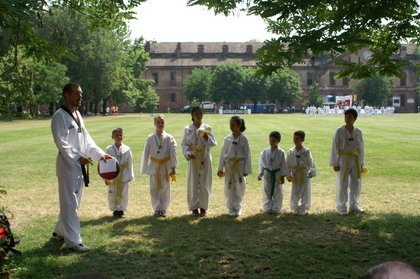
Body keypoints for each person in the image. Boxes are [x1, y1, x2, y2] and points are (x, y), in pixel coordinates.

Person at [51, 82, 110, 252]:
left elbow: (87, 140)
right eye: (77, 94)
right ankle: (73, 241)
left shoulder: (78, 115)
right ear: (67, 95)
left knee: (73, 203)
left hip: (78, 166)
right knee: (70, 204)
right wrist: (77, 157)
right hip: (67, 166)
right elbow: (60, 142)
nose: (80, 97)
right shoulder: (59, 116)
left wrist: (100, 155)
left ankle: (61, 230)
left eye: (81, 94)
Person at [181, 106, 217, 217]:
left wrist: (205, 136)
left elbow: (213, 143)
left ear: (202, 114)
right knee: (193, 183)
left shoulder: (207, 127)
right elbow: (184, 144)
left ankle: (203, 207)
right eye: (195, 113)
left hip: (204, 158)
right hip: (193, 158)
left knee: (204, 183)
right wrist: (188, 153)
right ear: (192, 115)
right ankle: (194, 207)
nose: (198, 115)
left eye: (200, 113)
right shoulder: (188, 129)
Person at [329, 108, 365, 215]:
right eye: (346, 117)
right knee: (342, 183)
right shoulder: (339, 131)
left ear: (354, 119)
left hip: (355, 160)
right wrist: (334, 162)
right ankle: (342, 207)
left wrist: (362, 163)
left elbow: (361, 149)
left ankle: (354, 206)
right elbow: (334, 147)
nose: (347, 119)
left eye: (349, 117)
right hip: (343, 159)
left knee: (356, 183)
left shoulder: (358, 132)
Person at [141, 115, 177, 217]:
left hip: (165, 166)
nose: (160, 124)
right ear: (154, 124)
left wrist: (173, 168)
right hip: (154, 165)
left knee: (165, 188)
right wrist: (145, 167)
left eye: (162, 122)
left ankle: (164, 209)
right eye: (158, 123)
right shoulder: (150, 138)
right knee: (154, 188)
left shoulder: (169, 138)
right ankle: (157, 209)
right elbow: (146, 153)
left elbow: (173, 154)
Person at [217, 116, 251, 216]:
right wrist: (220, 168)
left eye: (234, 125)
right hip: (229, 166)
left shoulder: (244, 139)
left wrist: (246, 170)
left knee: (239, 187)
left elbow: (248, 155)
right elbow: (222, 154)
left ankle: (238, 207)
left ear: (239, 126)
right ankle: (231, 208)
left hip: (240, 166)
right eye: (230, 124)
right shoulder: (227, 139)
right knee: (229, 186)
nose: (231, 127)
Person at [105, 128, 134, 218]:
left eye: (120, 135)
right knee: (112, 192)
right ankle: (114, 210)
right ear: (112, 137)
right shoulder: (109, 149)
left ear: (123, 136)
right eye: (116, 135)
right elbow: (105, 163)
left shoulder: (127, 149)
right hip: (113, 174)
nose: (119, 137)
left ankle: (121, 209)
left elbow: (130, 162)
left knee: (123, 192)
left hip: (124, 173)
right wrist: (106, 177)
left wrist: (130, 175)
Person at [286, 130, 316, 215]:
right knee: (295, 191)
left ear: (302, 140)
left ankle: (303, 207)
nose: (295, 140)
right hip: (295, 175)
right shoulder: (290, 152)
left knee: (305, 191)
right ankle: (295, 207)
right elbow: (287, 164)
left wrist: (311, 172)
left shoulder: (306, 151)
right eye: (294, 138)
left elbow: (311, 163)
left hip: (304, 174)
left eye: (298, 138)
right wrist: (288, 175)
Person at [257, 131, 288, 215]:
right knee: (267, 190)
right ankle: (267, 207)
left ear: (278, 141)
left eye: (273, 140)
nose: (271, 142)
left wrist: (283, 175)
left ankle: (276, 208)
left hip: (277, 174)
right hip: (267, 173)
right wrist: (260, 174)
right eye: (270, 140)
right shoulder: (264, 152)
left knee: (277, 191)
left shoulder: (281, 152)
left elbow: (283, 164)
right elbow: (261, 164)